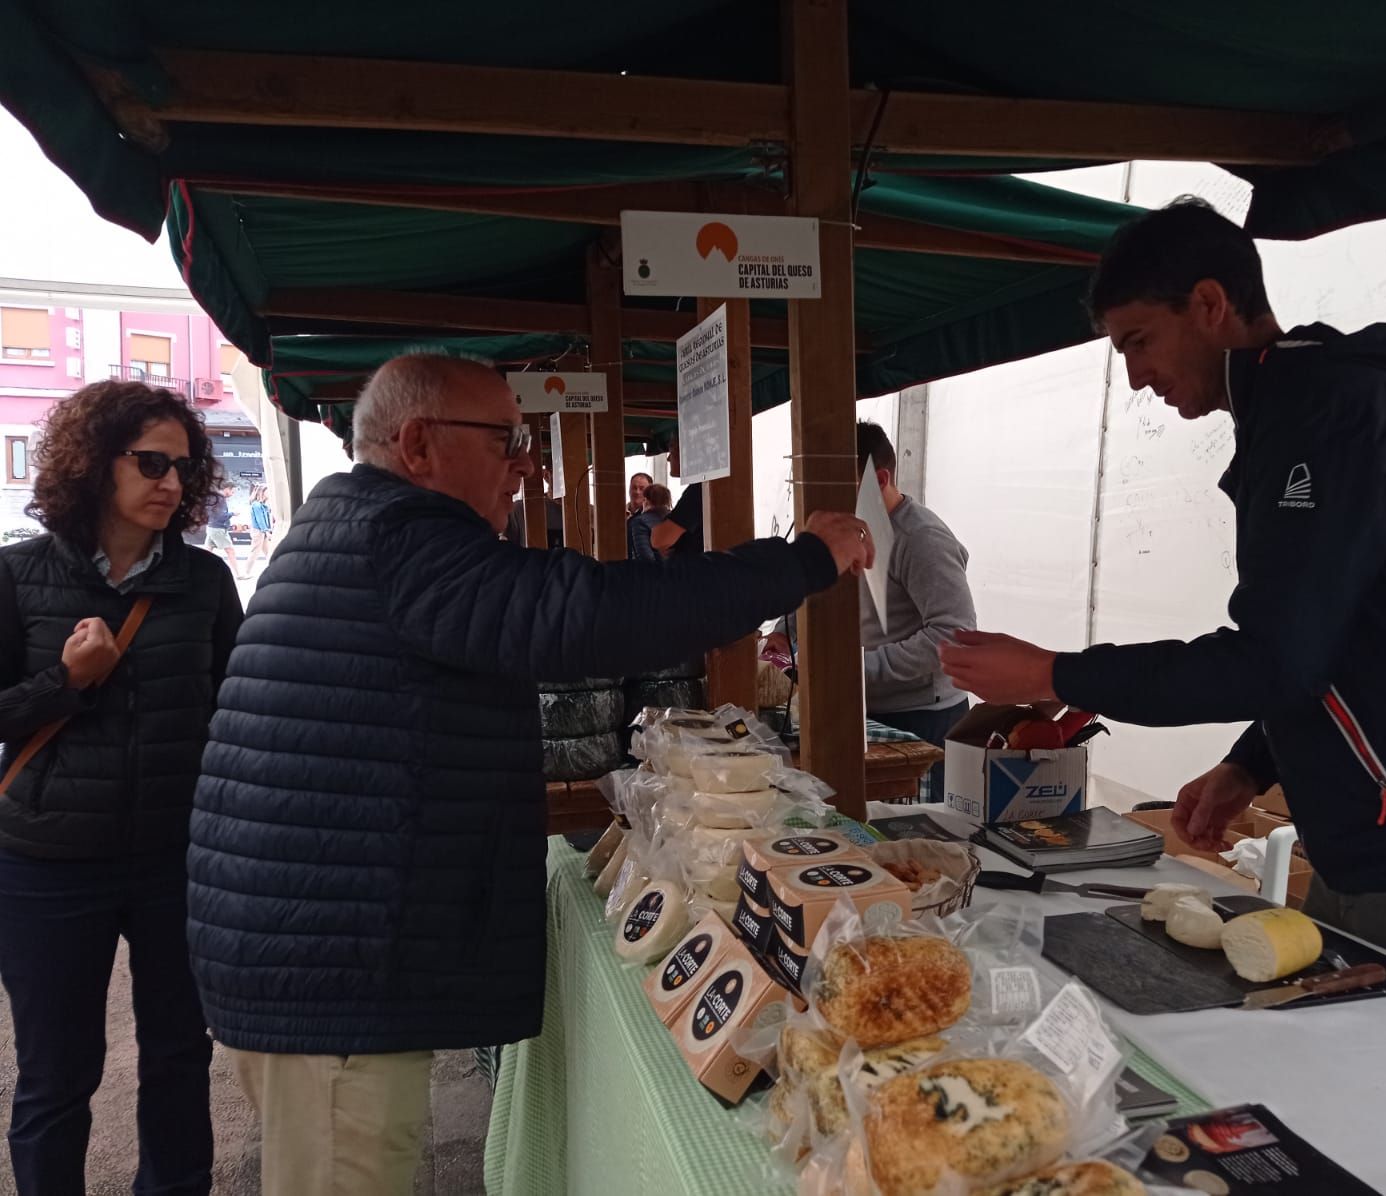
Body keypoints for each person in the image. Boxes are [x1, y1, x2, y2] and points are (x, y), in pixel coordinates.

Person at [186, 352, 872, 1194]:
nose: (525, 466)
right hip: (333, 969)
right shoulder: (401, 535)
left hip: (322, 944)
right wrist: (800, 562)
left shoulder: (365, 526)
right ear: (419, 444)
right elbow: (590, 614)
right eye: (506, 441)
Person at [940, 197, 1386, 1022]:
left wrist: (1054, 671)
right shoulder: (1300, 413)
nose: (1137, 377)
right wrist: (1250, 765)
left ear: (1211, 306)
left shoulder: (1332, 411)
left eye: (1138, 341)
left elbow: (1274, 655)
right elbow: (1332, 638)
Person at [0, 380, 242, 1195]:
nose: (171, 482)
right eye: (151, 463)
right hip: (45, 864)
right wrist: (66, 682)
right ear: (94, 464)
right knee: (56, 1073)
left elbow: (232, 710)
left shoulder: (205, 582)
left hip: (176, 860)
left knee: (180, 1054)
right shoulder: (16, 576)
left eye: (183, 465)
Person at [855, 421, 976, 800]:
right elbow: (820, 591)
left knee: (912, 843)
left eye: (839, 488)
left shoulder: (920, 539)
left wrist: (859, 669)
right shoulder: (853, 530)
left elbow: (953, 634)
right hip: (867, 710)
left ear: (880, 478)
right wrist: (783, 628)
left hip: (922, 720)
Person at [651, 434, 703, 558]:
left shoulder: (698, 491)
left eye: (672, 449)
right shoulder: (701, 488)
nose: (668, 458)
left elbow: (659, 539)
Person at [203, 481, 241, 579]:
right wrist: (232, 514)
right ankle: (238, 574)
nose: (232, 494)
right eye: (232, 492)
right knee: (230, 551)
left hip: (211, 527)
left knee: (207, 552)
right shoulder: (220, 499)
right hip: (218, 529)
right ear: (227, 489)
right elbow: (221, 516)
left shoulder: (215, 497)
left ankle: (200, 573)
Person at [628, 483, 674, 562]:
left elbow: (645, 556)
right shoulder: (675, 518)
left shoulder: (640, 521)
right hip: (677, 570)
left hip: (654, 571)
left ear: (646, 501)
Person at [242, 482, 273, 576]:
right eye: (267, 492)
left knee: (268, 552)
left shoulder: (262, 505)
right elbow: (260, 520)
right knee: (255, 552)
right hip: (259, 531)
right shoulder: (257, 505)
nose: (269, 493)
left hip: (262, 531)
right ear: (261, 493)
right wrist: (266, 531)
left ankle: (273, 570)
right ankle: (246, 572)